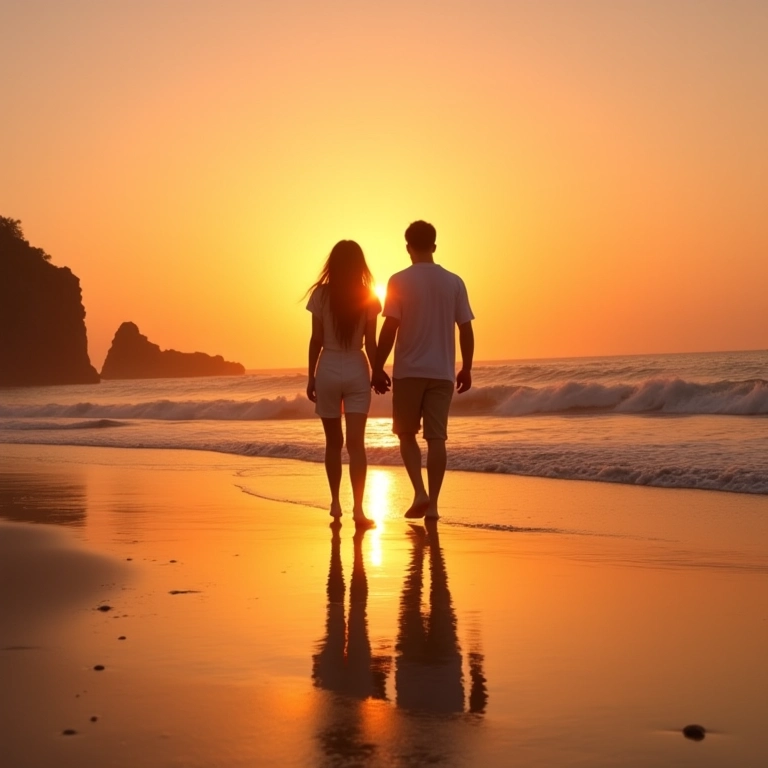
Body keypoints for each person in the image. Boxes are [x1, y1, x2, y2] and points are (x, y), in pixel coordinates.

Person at [371, 221, 474, 521]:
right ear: (435, 246)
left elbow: (390, 326)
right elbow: (465, 328)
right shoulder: (454, 282)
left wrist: (377, 366)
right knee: (437, 438)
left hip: (409, 371)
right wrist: (466, 367)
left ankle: (419, 492)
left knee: (406, 434)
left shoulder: (399, 280)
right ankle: (434, 505)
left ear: (408, 247)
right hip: (443, 372)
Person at [306, 240, 381, 528]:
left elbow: (316, 340)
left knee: (333, 443)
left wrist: (311, 376)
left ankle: (336, 503)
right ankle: (359, 510)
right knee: (356, 444)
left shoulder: (321, 295)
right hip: (356, 366)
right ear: (359, 264)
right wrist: (377, 371)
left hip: (327, 365)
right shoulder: (369, 297)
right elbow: (371, 344)